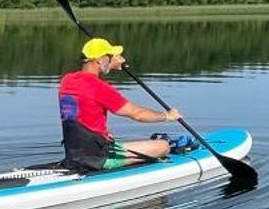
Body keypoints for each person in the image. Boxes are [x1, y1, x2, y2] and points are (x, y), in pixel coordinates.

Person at [58, 38, 181, 171]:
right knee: (163, 146)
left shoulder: (68, 80)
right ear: (100, 60)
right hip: (98, 157)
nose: (114, 59)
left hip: (74, 154)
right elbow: (138, 114)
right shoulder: (100, 88)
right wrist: (167, 116)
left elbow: (84, 112)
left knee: (110, 138)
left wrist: (110, 64)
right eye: (110, 57)